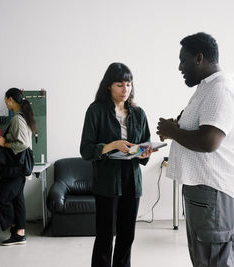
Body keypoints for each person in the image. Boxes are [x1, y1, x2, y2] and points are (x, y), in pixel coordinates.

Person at [156, 32, 234, 267]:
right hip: (206, 191)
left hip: (214, 191)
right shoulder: (207, 88)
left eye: (183, 60)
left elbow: (209, 141)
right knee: (205, 259)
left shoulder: (220, 90)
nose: (179, 67)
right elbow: (202, 128)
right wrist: (175, 128)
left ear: (199, 58)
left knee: (212, 261)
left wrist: (172, 131)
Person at [80, 62, 153, 267]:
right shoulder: (96, 111)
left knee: (127, 235)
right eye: (120, 84)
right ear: (108, 86)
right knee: (104, 237)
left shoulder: (139, 113)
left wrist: (143, 152)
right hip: (107, 180)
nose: (125, 89)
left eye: (128, 84)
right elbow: (86, 150)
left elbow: (145, 142)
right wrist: (112, 145)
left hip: (132, 179)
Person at [0, 87, 36, 246]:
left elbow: (23, 144)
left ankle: (15, 229)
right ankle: (20, 234)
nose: (5, 104)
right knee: (18, 200)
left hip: (15, 168)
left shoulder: (17, 119)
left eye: (6, 100)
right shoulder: (24, 117)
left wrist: (5, 143)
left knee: (1, 199)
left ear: (10, 99)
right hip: (20, 167)